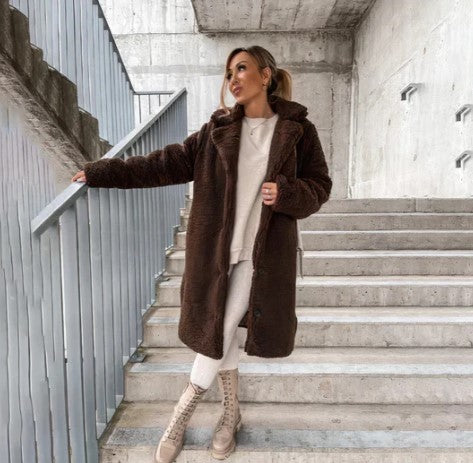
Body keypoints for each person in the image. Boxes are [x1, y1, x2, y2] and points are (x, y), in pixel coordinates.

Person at [72, 45, 332, 462]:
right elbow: (164, 163)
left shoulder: (298, 131)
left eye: (241, 69)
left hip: (261, 255)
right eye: (229, 72)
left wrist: (286, 193)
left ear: (265, 75)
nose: (233, 79)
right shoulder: (217, 131)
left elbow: (320, 186)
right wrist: (103, 171)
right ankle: (230, 413)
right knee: (221, 333)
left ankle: (181, 412)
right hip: (215, 252)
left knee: (222, 328)